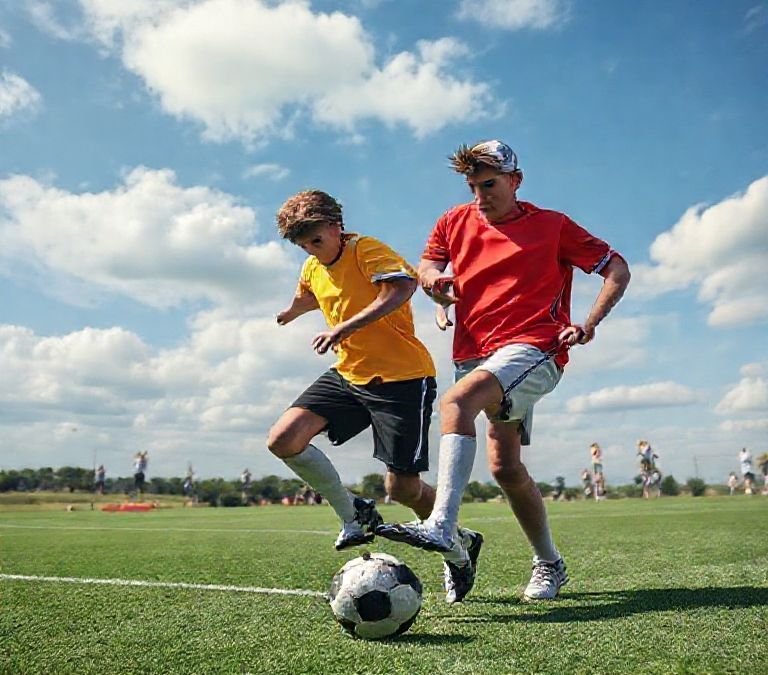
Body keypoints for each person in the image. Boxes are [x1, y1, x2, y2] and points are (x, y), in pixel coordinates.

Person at [376, 140, 631, 601]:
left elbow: (617, 268)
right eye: (473, 186)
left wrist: (588, 324)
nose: (480, 195)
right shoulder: (454, 221)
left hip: (534, 348)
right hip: (473, 352)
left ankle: (442, 526)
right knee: (506, 467)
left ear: (516, 180)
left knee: (458, 403)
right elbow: (428, 265)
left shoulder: (553, 226)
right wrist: (433, 284)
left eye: (489, 185)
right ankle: (549, 563)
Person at [266, 189, 483, 604]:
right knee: (283, 439)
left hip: (402, 379)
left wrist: (343, 327)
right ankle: (355, 513)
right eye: (302, 246)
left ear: (336, 227)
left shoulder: (366, 249)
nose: (311, 251)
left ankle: (459, 548)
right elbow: (308, 293)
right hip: (349, 375)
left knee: (402, 488)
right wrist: (292, 312)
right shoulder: (312, 266)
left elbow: (401, 289)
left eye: (316, 241)